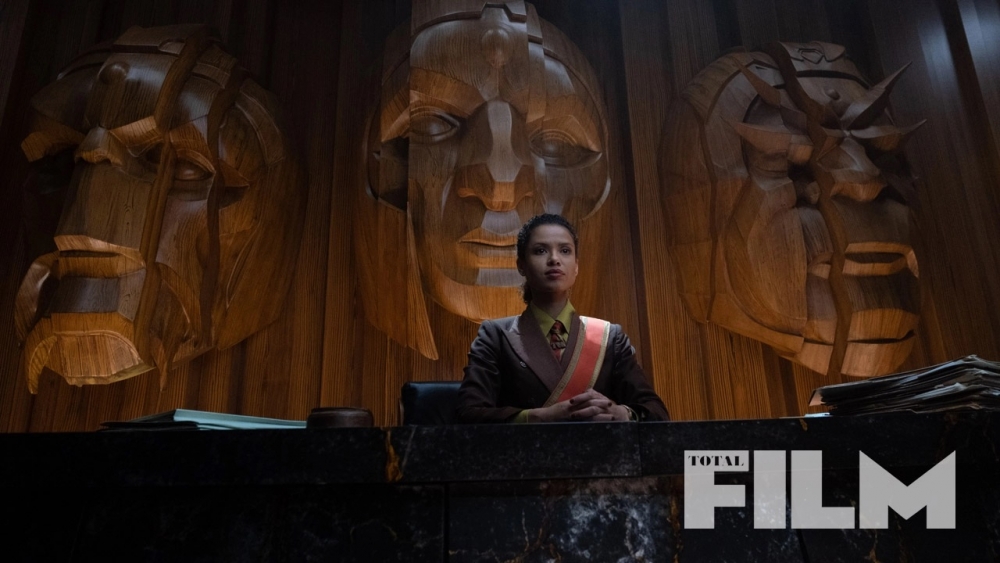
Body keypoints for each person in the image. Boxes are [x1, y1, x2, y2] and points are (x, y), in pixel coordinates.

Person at [455, 214, 669, 423]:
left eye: (565, 251)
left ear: (576, 266)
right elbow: (468, 413)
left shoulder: (610, 337)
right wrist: (539, 417)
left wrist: (622, 413)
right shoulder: (495, 335)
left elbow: (656, 412)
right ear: (521, 265)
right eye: (540, 251)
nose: (554, 259)